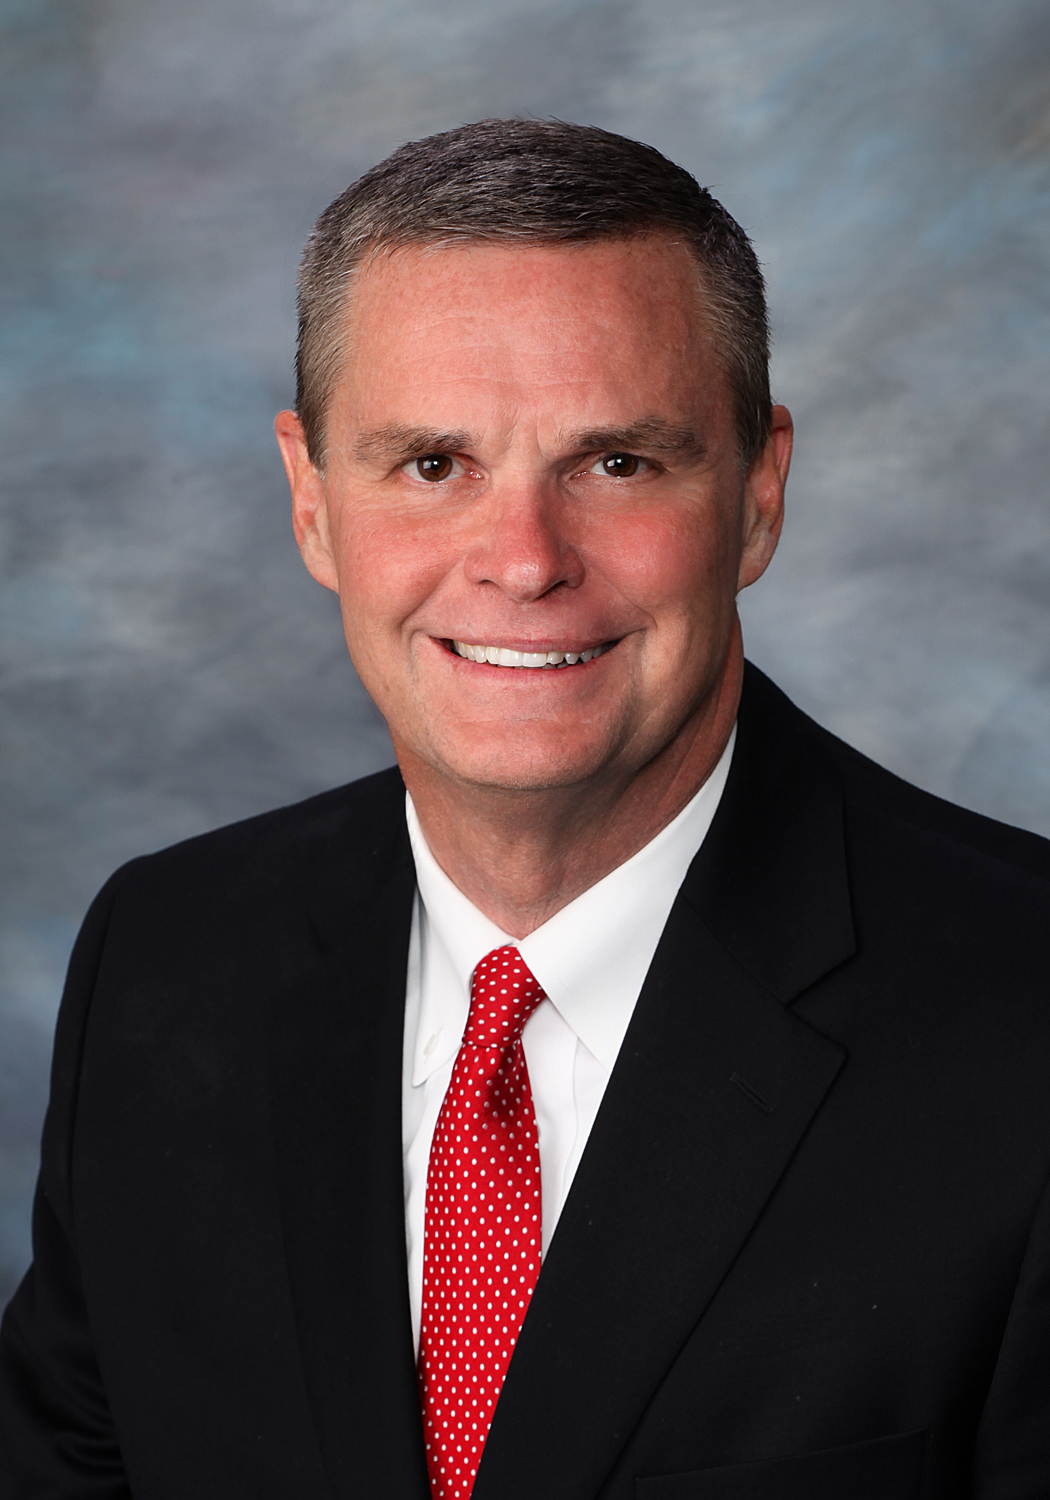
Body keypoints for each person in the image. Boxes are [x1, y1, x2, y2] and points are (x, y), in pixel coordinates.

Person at [1, 118, 1049, 1500]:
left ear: (758, 493)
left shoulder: (1024, 1018)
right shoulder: (166, 958)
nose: (524, 561)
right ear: (312, 502)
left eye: (616, 462)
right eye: (433, 464)